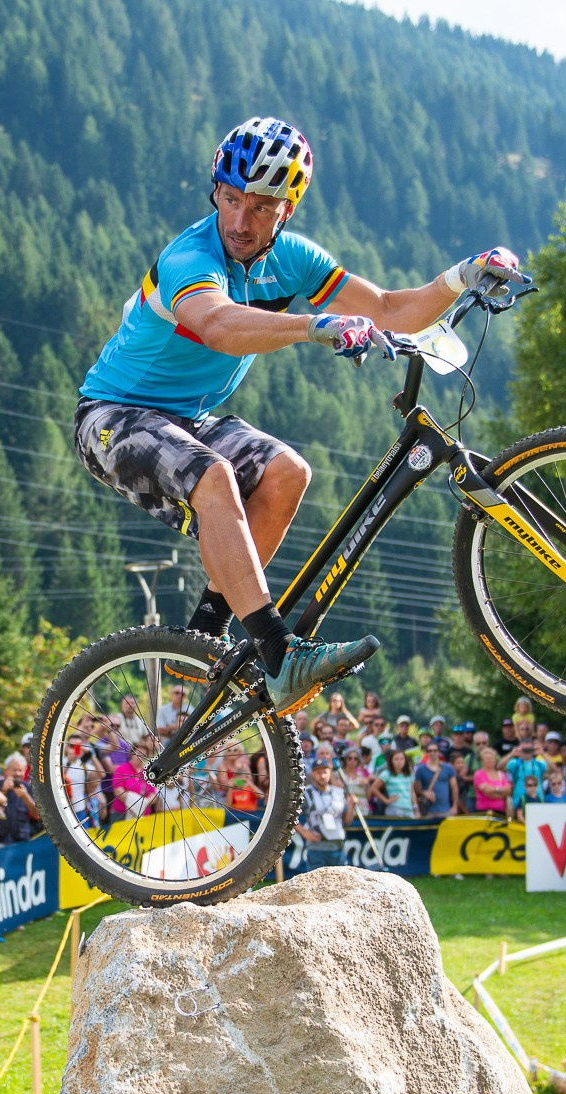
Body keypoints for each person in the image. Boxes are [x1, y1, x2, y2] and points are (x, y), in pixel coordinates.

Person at [75, 117, 516, 713]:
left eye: (260, 207)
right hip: (112, 416)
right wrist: (316, 326)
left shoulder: (293, 260)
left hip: (187, 419)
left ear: (286, 210)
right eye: (231, 199)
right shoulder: (191, 256)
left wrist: (461, 276)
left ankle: (204, 636)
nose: (240, 221)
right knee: (214, 477)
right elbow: (218, 324)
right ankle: (280, 653)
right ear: (215, 192)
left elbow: (390, 309)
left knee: (287, 473)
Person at [298, 758, 351, 867]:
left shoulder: (339, 793)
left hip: (338, 848)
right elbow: (289, 816)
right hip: (316, 849)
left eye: (325, 772)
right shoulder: (306, 793)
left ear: (330, 773)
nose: (322, 776)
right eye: (318, 773)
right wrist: (304, 832)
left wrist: (352, 806)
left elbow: (347, 821)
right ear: (313, 774)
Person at [0, 754, 42, 845]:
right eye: (14, 770)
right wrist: (3, 791)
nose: (17, 773)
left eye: (20, 770)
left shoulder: (29, 788)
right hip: (1, 838)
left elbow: (37, 815)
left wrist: (25, 796)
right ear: (6, 771)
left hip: (22, 839)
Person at [505, 739, 547, 818]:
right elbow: (499, 767)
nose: (527, 752)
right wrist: (512, 754)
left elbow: (555, 770)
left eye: (529, 749)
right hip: (519, 802)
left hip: (537, 800)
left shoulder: (539, 763)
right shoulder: (515, 763)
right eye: (525, 749)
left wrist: (543, 753)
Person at [412, 745, 458, 818]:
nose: (432, 753)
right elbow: (416, 788)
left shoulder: (448, 768)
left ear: (439, 752)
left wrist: (455, 806)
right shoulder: (420, 769)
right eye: (430, 751)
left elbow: (454, 787)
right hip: (427, 810)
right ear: (426, 753)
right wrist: (424, 793)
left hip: (446, 810)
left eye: (435, 751)